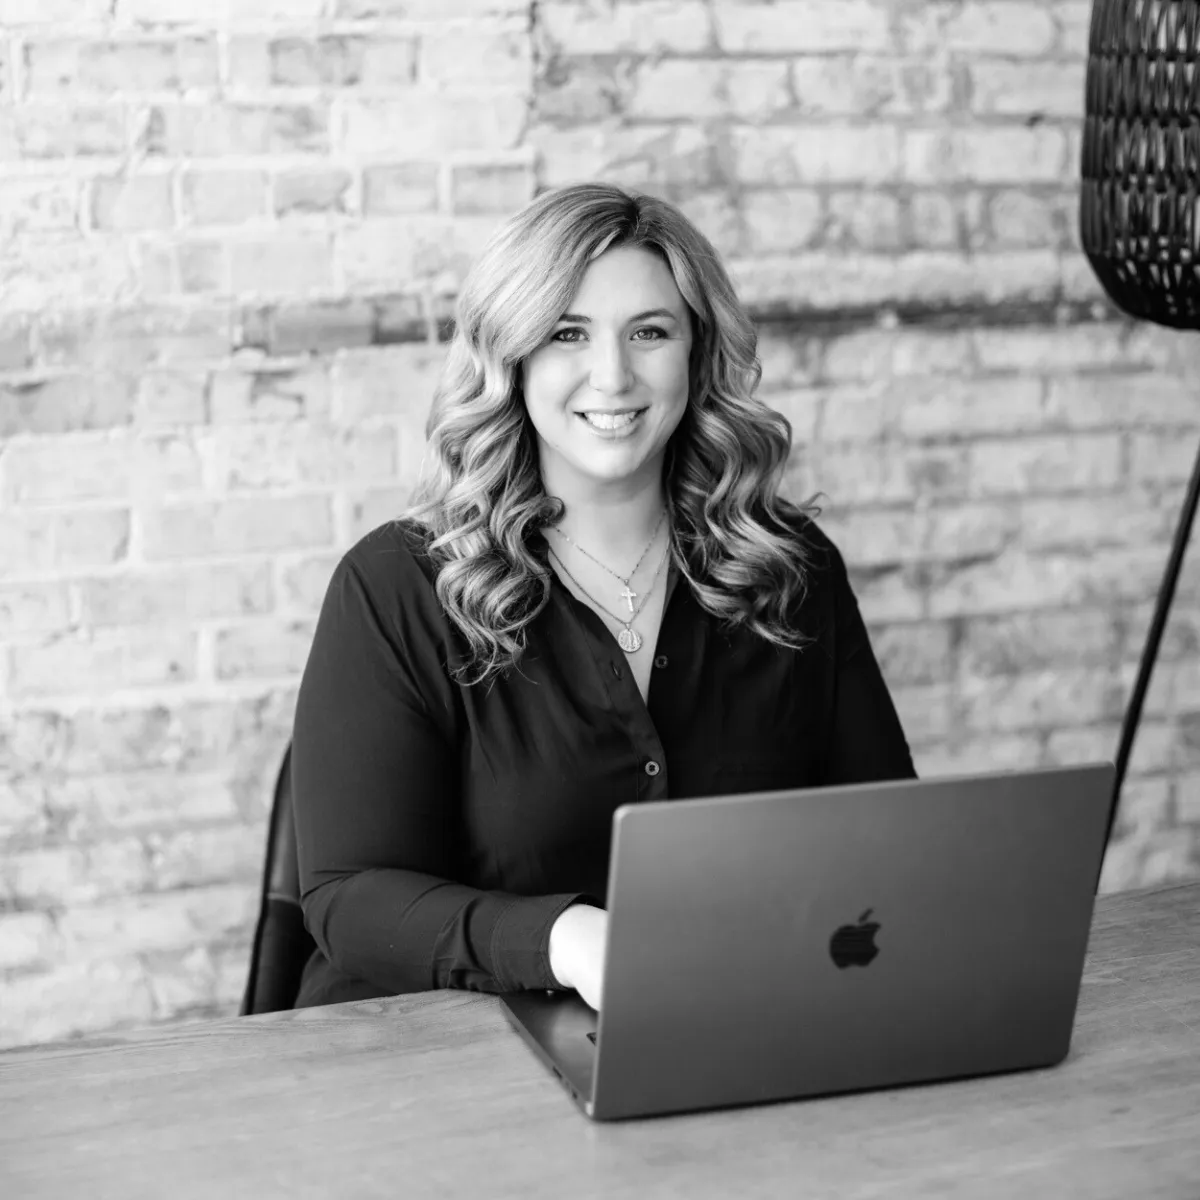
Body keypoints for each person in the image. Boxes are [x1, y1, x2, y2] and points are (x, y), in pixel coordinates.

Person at [290, 182, 916, 1013]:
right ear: (510, 356)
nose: (613, 375)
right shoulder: (398, 586)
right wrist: (568, 939)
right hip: (449, 1066)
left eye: (650, 332)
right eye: (567, 334)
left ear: (697, 352)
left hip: (721, 1030)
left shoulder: (790, 573)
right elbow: (349, 896)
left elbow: (887, 839)